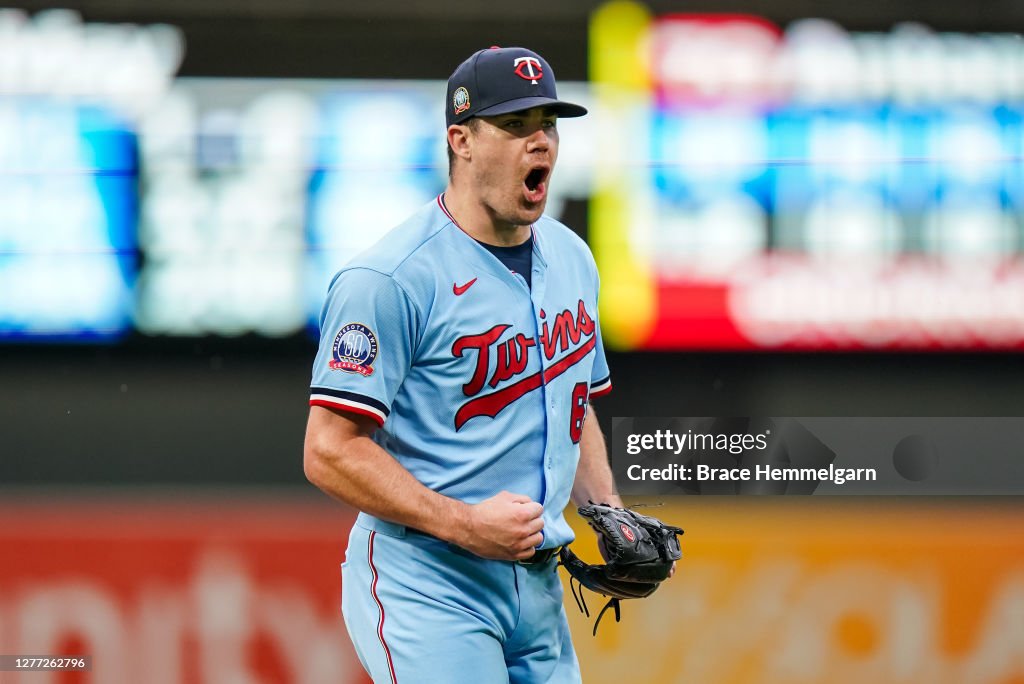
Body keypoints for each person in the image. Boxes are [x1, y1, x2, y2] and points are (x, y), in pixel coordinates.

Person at [304, 46, 620, 684]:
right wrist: (464, 523)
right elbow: (329, 450)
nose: (540, 144)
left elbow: (572, 402)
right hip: (427, 578)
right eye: (514, 126)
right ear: (462, 141)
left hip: (536, 584)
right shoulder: (390, 277)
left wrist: (607, 510)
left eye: (548, 125)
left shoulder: (572, 258)